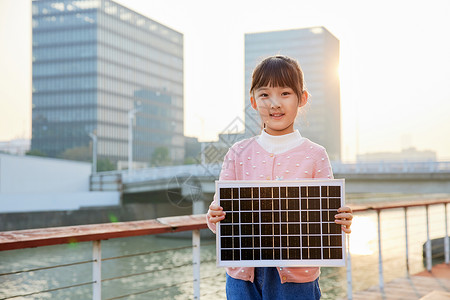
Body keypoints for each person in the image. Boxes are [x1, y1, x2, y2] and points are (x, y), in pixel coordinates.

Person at [206, 55, 353, 300]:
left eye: (285, 93)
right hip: (243, 277)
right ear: (253, 101)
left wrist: (342, 220)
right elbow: (217, 221)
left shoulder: (315, 155)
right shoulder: (237, 153)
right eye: (265, 95)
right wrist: (214, 216)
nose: (275, 103)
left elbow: (329, 219)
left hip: (296, 279)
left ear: (302, 98)